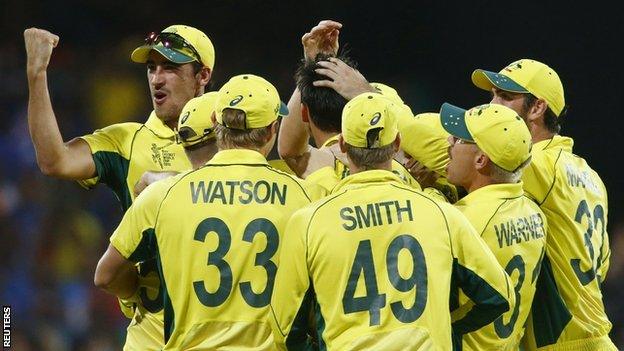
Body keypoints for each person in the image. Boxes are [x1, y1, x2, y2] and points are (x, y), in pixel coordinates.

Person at [269, 92, 515, 350]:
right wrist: (447, 329)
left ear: (342, 144)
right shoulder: (441, 213)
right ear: (397, 143)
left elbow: (285, 330)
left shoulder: (309, 221)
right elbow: (498, 296)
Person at [24, 24, 214, 350]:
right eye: (152, 68)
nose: (156, 78)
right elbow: (55, 161)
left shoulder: (233, 138)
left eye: (170, 67)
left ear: (203, 76)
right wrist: (37, 73)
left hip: (222, 330)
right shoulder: (128, 142)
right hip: (153, 334)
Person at [94, 74, 312, 350]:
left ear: (215, 124)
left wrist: (136, 291)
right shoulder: (303, 196)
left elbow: (106, 276)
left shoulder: (162, 196)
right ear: (272, 130)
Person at [472, 59, 616, 350]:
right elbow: (602, 265)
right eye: (492, 95)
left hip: (564, 342)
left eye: (506, 97)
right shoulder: (590, 175)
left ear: (537, 108)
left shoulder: (538, 165)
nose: (493, 106)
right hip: (593, 335)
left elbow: (446, 151)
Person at [440, 102, 547, 350]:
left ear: (480, 160)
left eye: (458, 139)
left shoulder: (461, 219)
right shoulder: (535, 213)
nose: (448, 143)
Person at [277, 21, 419, 201]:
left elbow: (289, 151)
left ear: (304, 113)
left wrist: (312, 65)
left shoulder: (325, 169)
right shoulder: (401, 158)